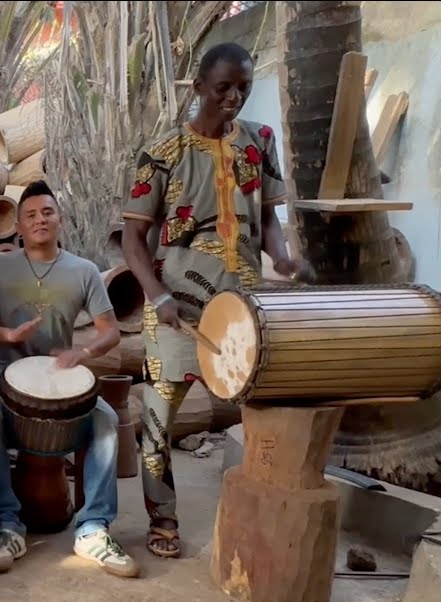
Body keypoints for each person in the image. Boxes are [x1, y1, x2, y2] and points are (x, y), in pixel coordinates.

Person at [120, 42, 308, 559]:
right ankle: (163, 520)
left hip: (243, 307)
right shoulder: (162, 154)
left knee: (263, 411)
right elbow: (133, 240)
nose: (234, 97)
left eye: (243, 87)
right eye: (223, 87)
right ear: (199, 86)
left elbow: (267, 218)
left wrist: (282, 258)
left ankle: (267, 517)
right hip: (176, 309)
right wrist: (157, 295)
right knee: (158, 420)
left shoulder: (259, 141)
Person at [0, 181, 139, 578]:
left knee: (105, 419)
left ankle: (93, 528)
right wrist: (6, 335)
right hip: (4, 370)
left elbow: (110, 332)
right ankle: (7, 525)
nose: (40, 220)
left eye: (47, 212)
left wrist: (84, 353)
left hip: (62, 374)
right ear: (18, 226)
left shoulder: (83, 271)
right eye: (30, 215)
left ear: (59, 220)